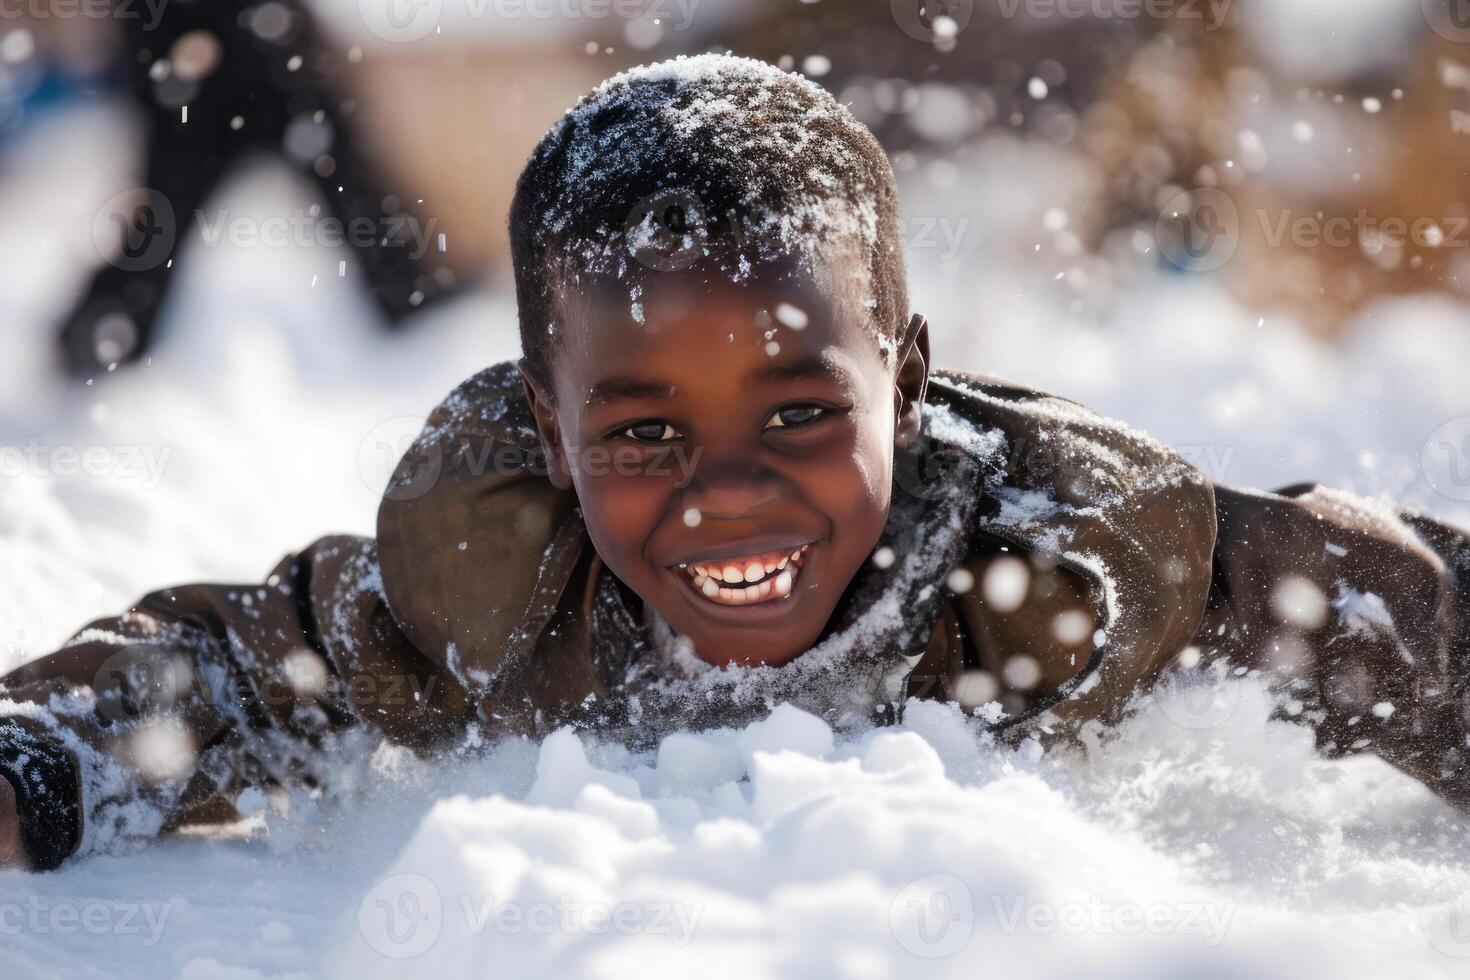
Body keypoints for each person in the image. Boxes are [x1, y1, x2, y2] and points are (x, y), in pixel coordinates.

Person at [2, 55, 1467, 871]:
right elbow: (233, 673)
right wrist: (37, 766)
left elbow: (1383, 601)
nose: (729, 492)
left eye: (801, 415)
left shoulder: (1064, 561)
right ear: (552, 431)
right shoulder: (494, 582)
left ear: (900, 380)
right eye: (643, 434)